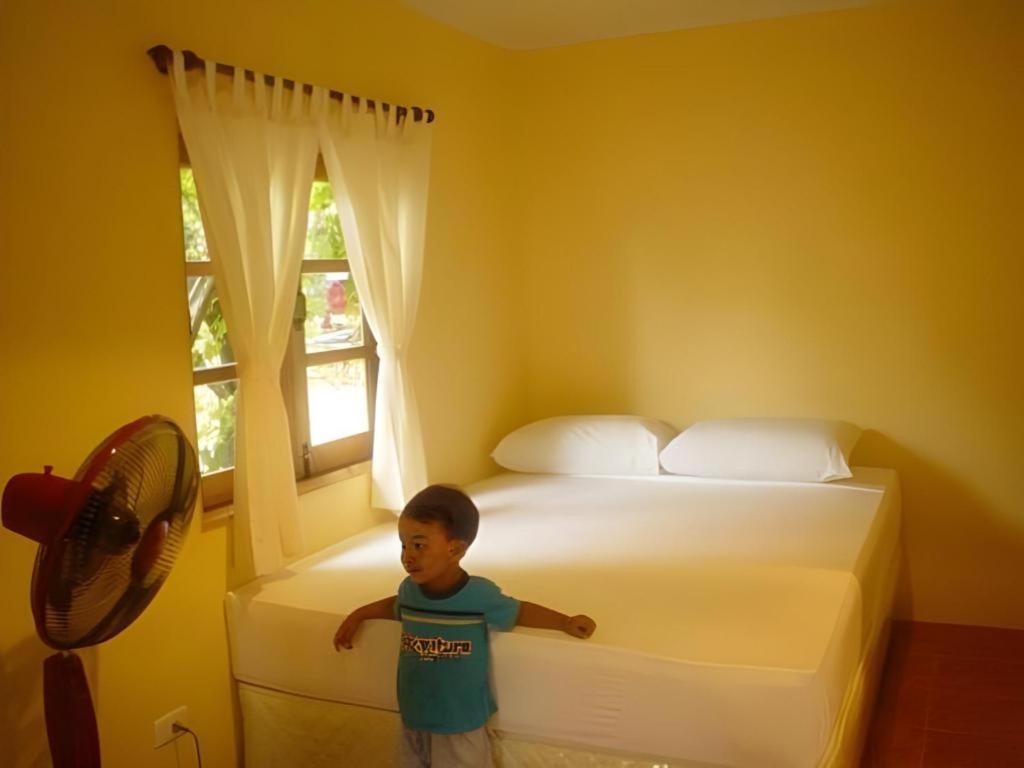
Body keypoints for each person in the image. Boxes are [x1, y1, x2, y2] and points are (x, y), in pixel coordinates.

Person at [333, 484, 597, 767]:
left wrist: (564, 621)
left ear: (455, 548)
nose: (407, 556)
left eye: (419, 545)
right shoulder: (410, 591)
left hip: (460, 720)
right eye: (403, 544)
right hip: (415, 714)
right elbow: (394, 606)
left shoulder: (479, 595)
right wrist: (359, 615)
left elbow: (519, 611)